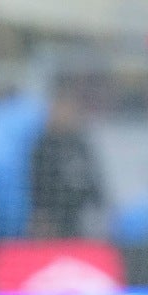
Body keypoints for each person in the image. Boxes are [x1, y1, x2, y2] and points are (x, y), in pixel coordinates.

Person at [29, 88, 104, 238]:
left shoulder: (81, 145)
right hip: (51, 220)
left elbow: (93, 179)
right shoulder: (43, 146)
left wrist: (99, 205)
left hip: (80, 218)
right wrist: (41, 216)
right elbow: (37, 183)